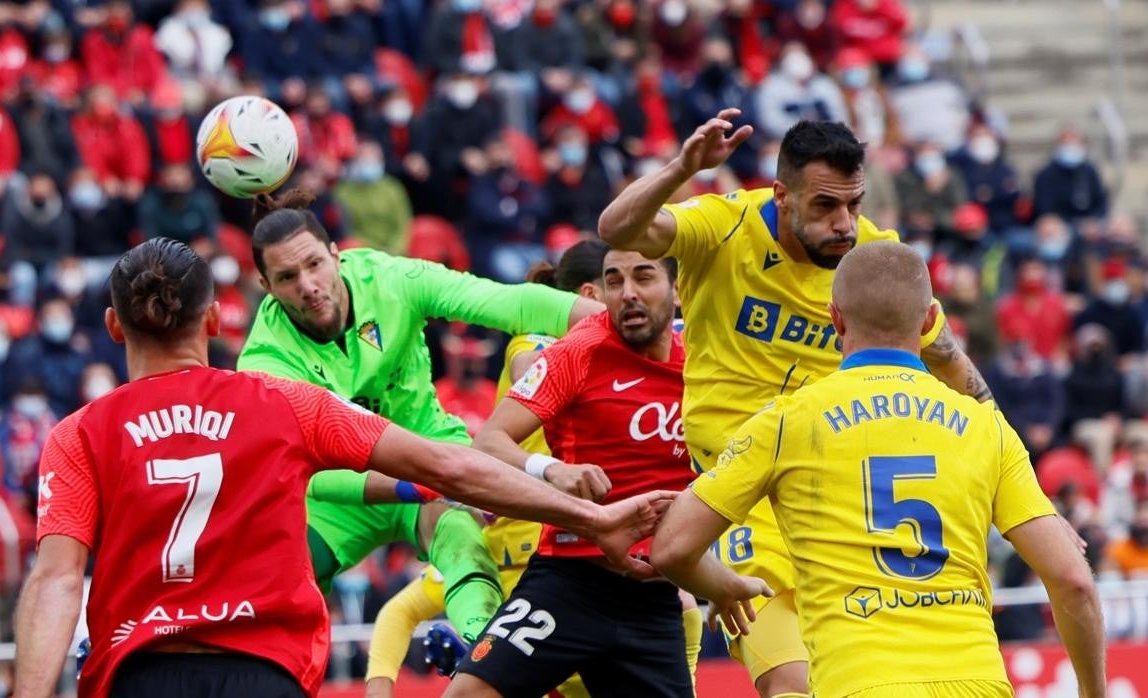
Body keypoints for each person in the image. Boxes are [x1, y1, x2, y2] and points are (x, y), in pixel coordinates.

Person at [13, 238, 671, 698]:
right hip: (264, 671)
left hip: (137, 674)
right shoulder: (280, 402)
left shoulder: (80, 435)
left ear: (111, 325)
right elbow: (453, 468)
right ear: (216, 318)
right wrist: (589, 514)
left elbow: (56, 583)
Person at [597, 115, 991, 696]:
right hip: (740, 485)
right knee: (792, 686)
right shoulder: (724, 225)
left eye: (854, 205)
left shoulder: (875, 259)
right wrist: (683, 169)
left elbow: (950, 359)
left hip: (838, 489)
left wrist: (1011, 461)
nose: (844, 224)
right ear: (781, 195)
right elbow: (618, 227)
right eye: (826, 205)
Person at [652, 242, 1106, 698]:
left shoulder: (788, 420)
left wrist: (723, 586)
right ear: (929, 321)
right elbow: (1073, 582)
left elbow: (672, 548)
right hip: (979, 682)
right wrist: (1093, 692)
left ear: (836, 318)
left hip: (861, 682)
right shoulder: (985, 425)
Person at [238, 192, 604, 647]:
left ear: (337, 255)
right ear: (265, 285)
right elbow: (307, 478)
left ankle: (483, 655)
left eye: (315, 264)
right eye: (287, 277)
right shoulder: (263, 362)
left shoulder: (391, 279)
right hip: (342, 495)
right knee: (269, 590)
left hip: (431, 450)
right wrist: (412, 483)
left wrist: (614, 322)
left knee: (461, 542)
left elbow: (510, 303)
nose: (308, 285)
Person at [446, 249, 701, 698]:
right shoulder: (579, 349)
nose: (628, 294)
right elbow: (489, 442)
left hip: (654, 597)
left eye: (644, 278)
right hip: (569, 583)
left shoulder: (703, 366)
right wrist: (552, 469)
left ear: (678, 292)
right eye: (614, 281)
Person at [363, 242, 608, 698]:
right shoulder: (537, 343)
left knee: (681, 610)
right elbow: (532, 366)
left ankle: (479, 653)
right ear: (591, 294)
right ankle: (480, 652)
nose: (632, 298)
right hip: (521, 539)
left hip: (578, 538)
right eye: (620, 284)